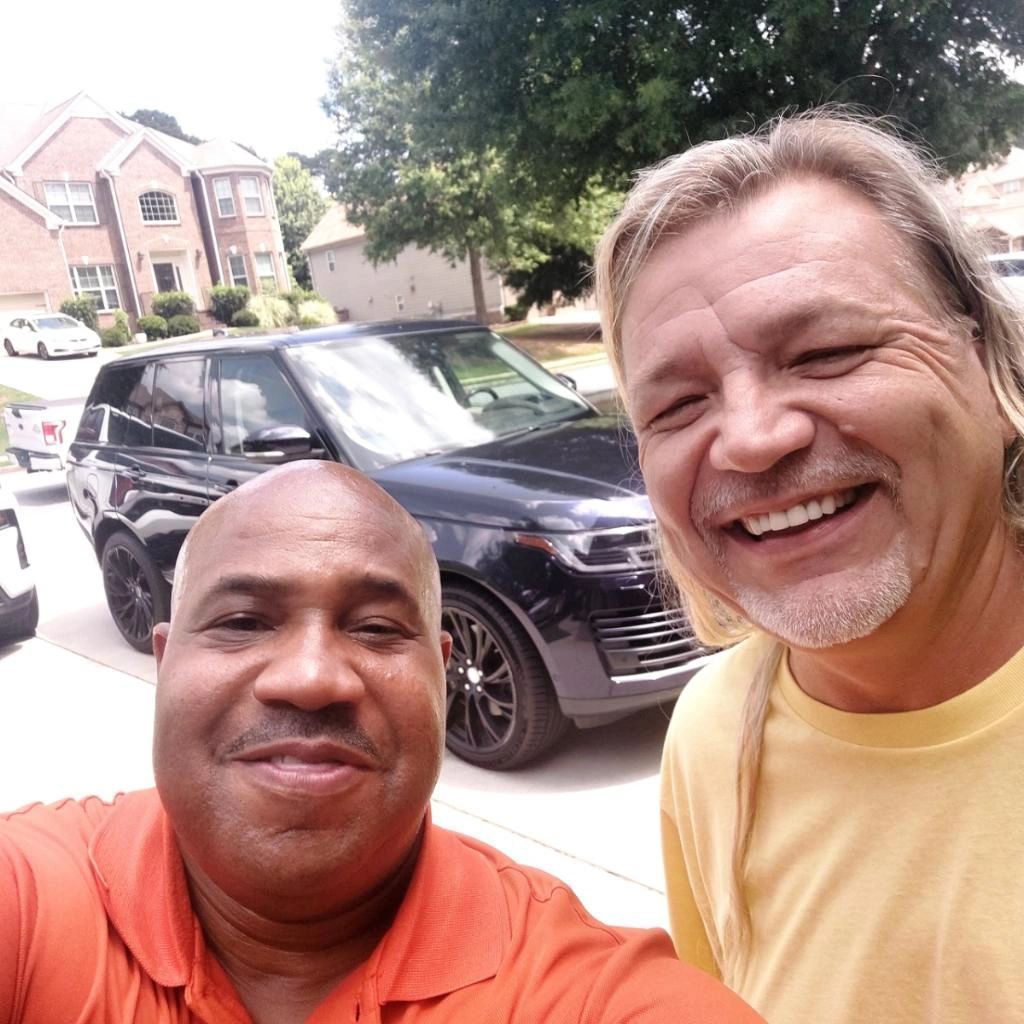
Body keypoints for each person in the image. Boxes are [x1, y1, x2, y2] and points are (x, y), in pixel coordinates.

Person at [0, 461, 761, 1024]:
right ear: (166, 666)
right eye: (242, 622)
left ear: (440, 675)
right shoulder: (32, 899)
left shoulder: (582, 992)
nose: (310, 677)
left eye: (374, 628)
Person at [594, 109, 1024, 1023]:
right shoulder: (713, 739)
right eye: (676, 405)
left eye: (827, 353)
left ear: (989, 362)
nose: (750, 440)